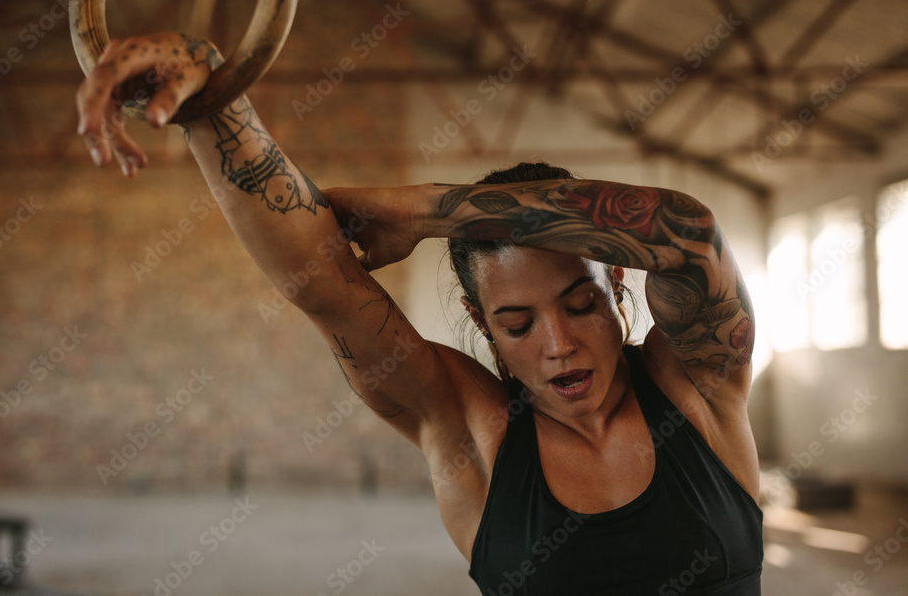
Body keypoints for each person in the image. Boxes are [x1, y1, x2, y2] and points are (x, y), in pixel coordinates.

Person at [77, 32, 763, 594]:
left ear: (617, 274)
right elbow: (318, 283)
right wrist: (213, 101)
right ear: (480, 316)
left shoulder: (696, 387)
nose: (557, 344)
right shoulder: (472, 430)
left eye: (579, 304)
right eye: (517, 323)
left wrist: (428, 207)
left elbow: (691, 234)